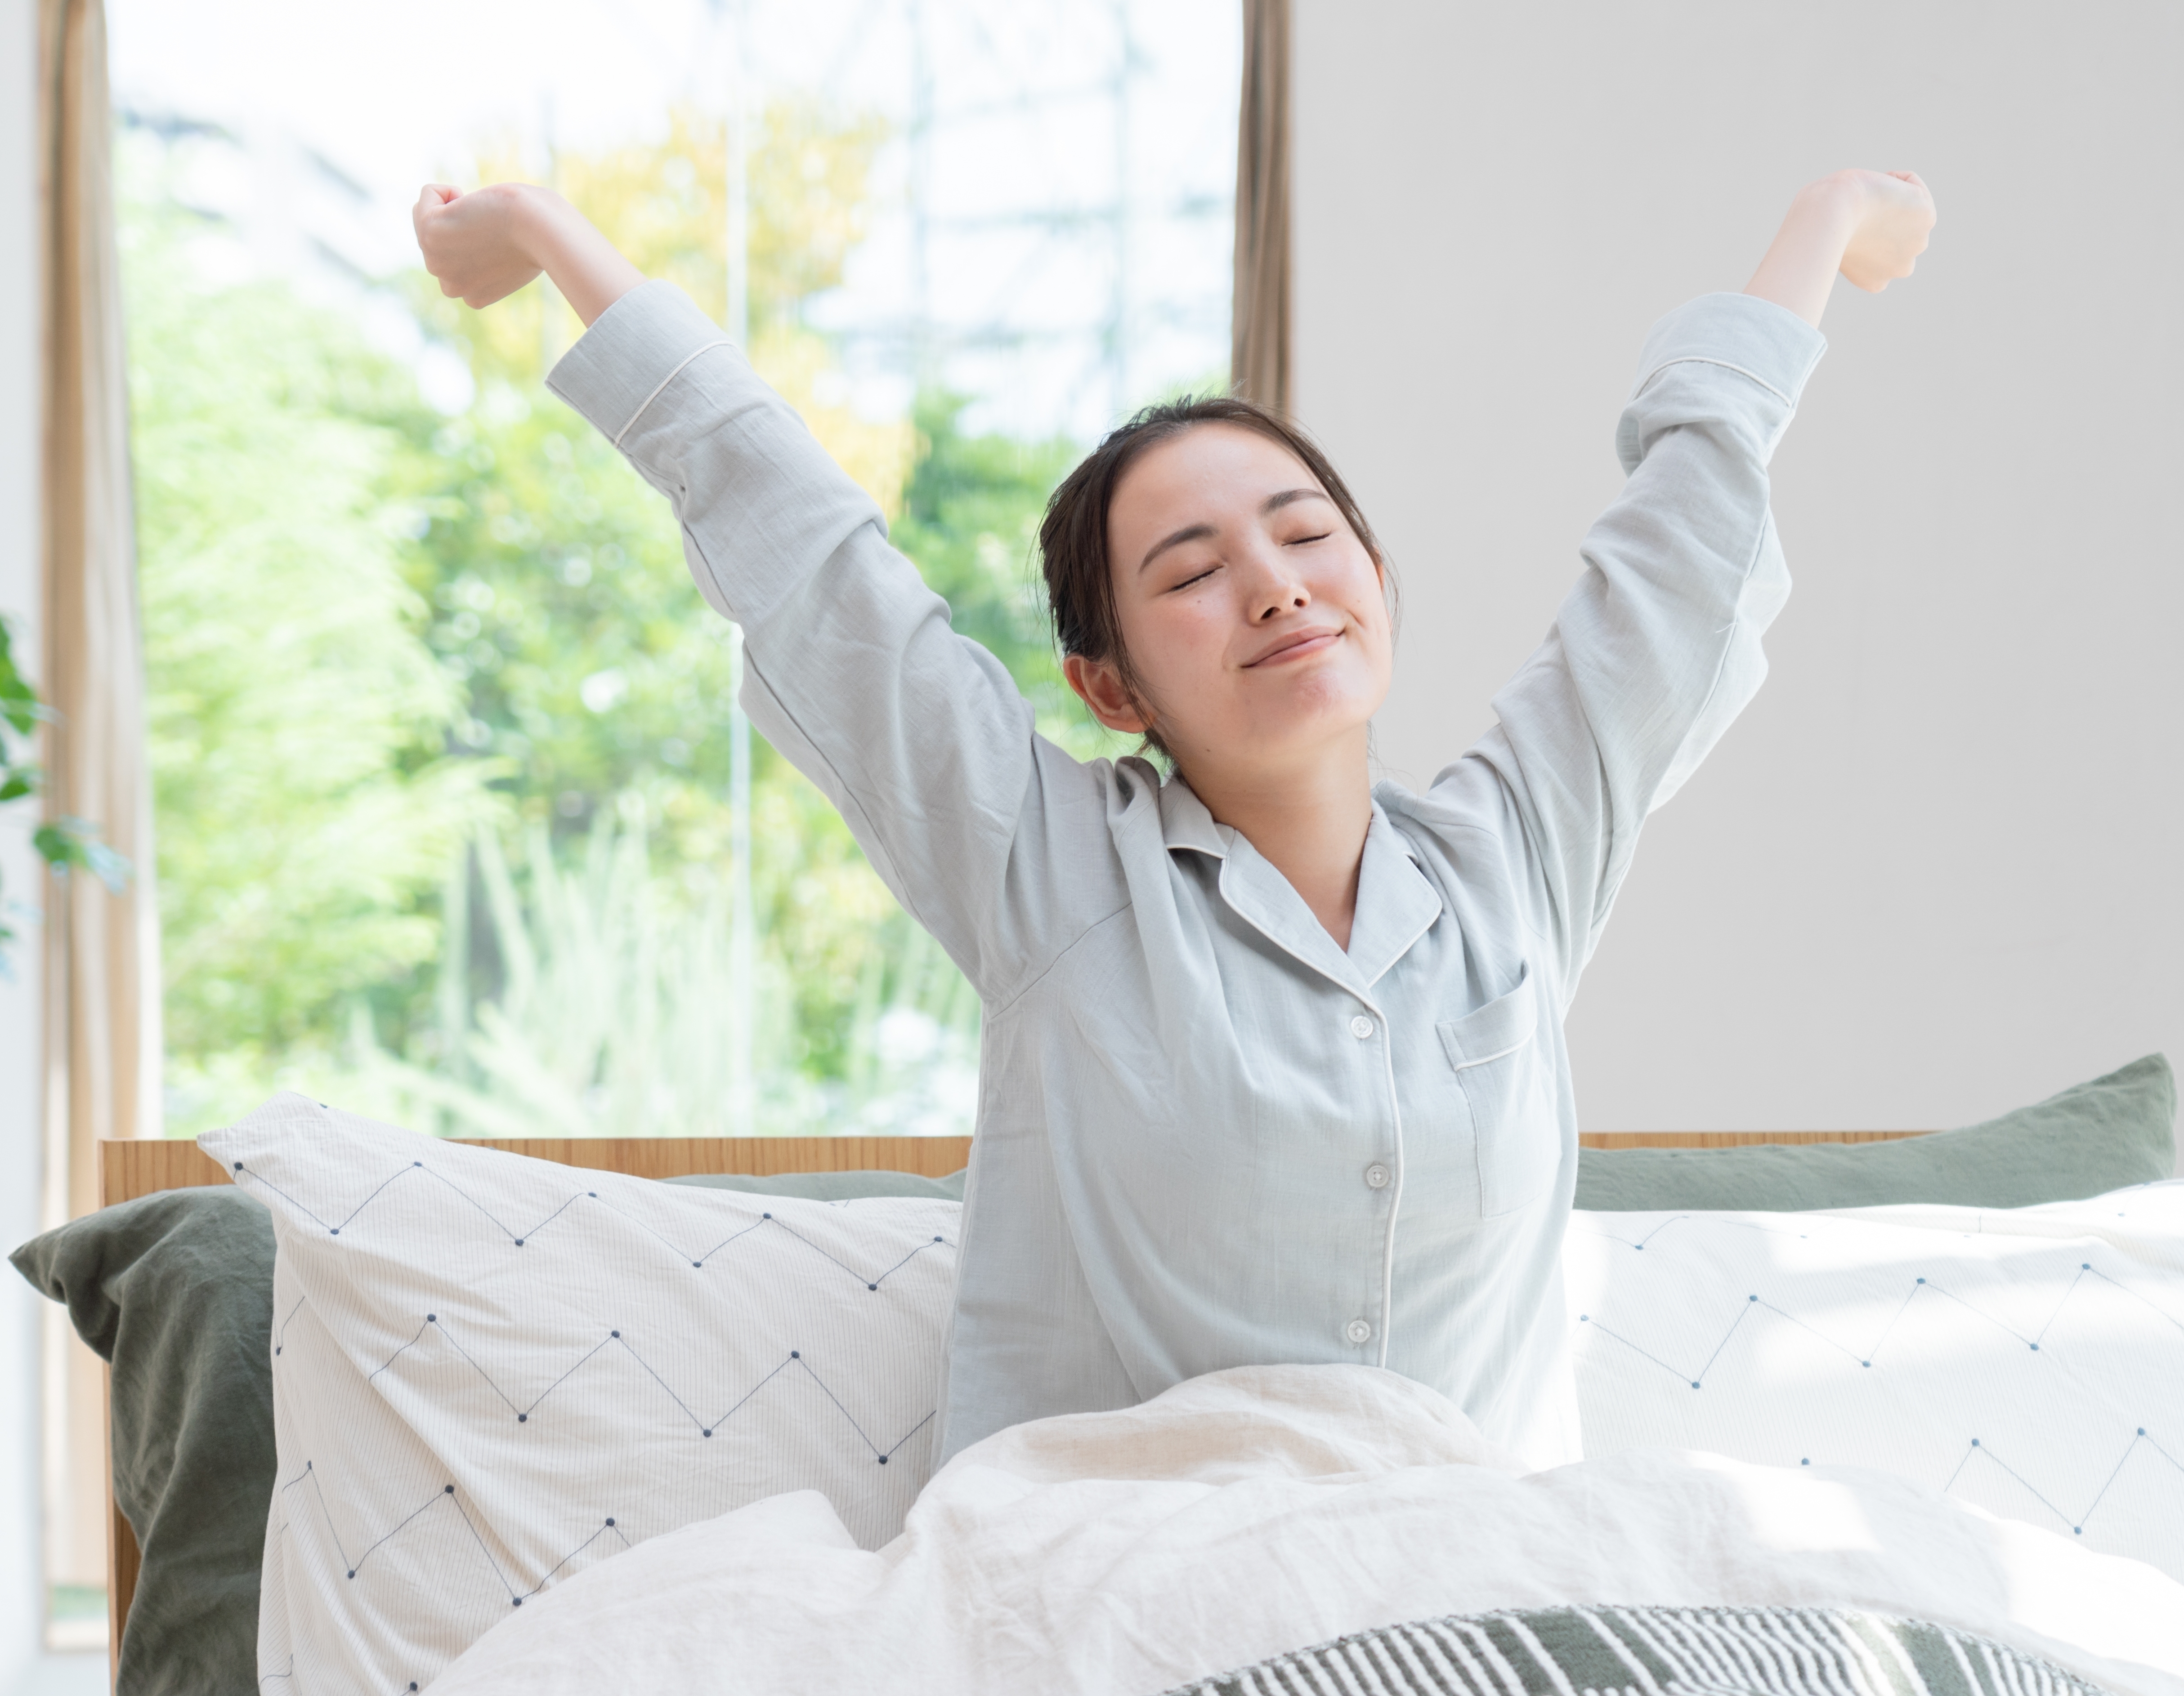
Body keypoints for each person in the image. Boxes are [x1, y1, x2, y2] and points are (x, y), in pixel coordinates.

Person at [414, 166, 1935, 1466]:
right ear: (1110, 685)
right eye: (1191, 573)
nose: (1273, 583)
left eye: (1304, 533)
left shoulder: (1514, 867)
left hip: (1481, 1606)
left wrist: (1826, 222)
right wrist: (550, 235)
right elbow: (813, 563)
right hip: (1134, 1604)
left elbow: (1674, 572)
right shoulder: (1049, 872)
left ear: (1377, 585)